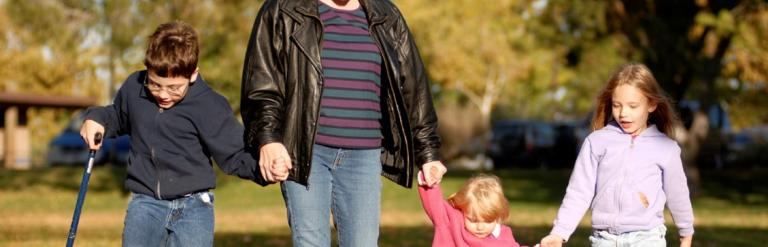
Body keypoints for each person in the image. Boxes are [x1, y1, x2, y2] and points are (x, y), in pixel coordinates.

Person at [240, 0, 447, 246]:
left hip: (364, 157)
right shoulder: (283, 9)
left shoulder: (386, 15)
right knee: (311, 242)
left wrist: (428, 152)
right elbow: (262, 83)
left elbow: (414, 87)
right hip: (307, 153)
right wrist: (268, 139)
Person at [79, 21, 287, 247]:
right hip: (146, 204)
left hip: (194, 207)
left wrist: (264, 170)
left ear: (193, 75)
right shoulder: (134, 88)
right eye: (155, 85)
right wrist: (96, 119)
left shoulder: (210, 105)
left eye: (174, 88)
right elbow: (118, 116)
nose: (163, 95)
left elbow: (234, 153)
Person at [539, 64, 694, 247]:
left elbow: (678, 194)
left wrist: (686, 235)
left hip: (647, 238)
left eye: (633, 106)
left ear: (651, 104)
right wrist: (559, 233)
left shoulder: (666, 148)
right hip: (604, 239)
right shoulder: (596, 142)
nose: (623, 113)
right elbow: (579, 192)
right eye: (616, 105)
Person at [418, 170, 524, 247]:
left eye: (488, 221)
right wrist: (429, 178)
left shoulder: (504, 235)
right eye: (473, 220)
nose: (480, 227)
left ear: (497, 216)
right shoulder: (451, 222)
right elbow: (434, 203)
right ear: (463, 209)